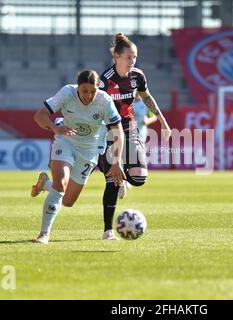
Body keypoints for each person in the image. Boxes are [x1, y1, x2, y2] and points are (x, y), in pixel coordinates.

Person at [30, 69, 125, 244]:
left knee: (68, 201)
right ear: (77, 88)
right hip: (65, 142)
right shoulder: (67, 92)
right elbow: (40, 115)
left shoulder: (105, 101)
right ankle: (44, 234)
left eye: (92, 91)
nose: (88, 95)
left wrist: (117, 161)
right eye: (84, 91)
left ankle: (45, 184)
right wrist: (54, 127)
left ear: (98, 89)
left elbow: (118, 130)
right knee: (61, 183)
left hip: (89, 151)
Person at [98, 32, 171, 240]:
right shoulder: (105, 80)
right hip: (108, 129)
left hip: (129, 127)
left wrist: (163, 122)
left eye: (135, 57)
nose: (133, 61)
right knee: (112, 178)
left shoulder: (137, 76)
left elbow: (148, 98)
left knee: (139, 178)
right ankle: (108, 230)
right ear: (117, 58)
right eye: (129, 57)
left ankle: (125, 181)